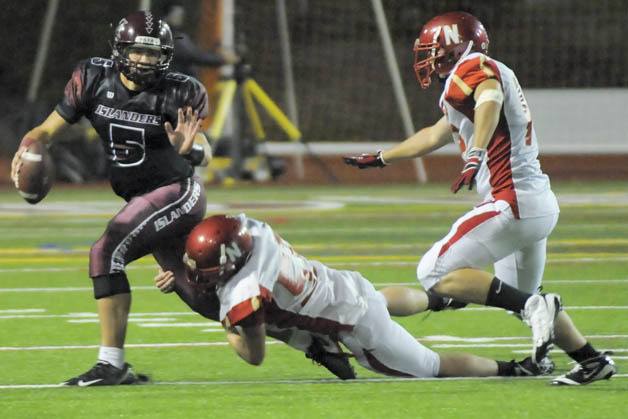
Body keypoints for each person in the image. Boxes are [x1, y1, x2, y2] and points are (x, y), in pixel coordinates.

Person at [344, 11, 616, 385]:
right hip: (536, 203)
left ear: (453, 46)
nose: (428, 58)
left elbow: (489, 97)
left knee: (433, 272)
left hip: (512, 201)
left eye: (432, 50)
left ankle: (535, 307)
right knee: (521, 296)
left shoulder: (474, 67)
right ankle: (592, 361)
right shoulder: (478, 74)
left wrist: (476, 152)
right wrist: (381, 157)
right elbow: (435, 134)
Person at [10, 11, 213, 386]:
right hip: (143, 198)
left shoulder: (179, 90)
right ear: (120, 50)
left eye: (154, 54)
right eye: (138, 52)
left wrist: (191, 150)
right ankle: (303, 331)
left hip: (177, 192)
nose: (146, 61)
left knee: (106, 252)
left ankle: (112, 364)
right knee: (204, 298)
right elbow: (47, 129)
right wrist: (29, 145)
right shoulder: (91, 77)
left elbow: (204, 149)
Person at [155, 213, 552, 380]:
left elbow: (254, 355)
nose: (198, 275)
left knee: (431, 367)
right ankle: (437, 300)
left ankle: (514, 369)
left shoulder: (244, 289)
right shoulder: (250, 231)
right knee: (376, 298)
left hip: (355, 326)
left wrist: (228, 325)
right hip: (342, 285)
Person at [162, 2, 239, 78]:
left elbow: (195, 54)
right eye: (177, 14)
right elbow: (195, 56)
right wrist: (223, 59)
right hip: (175, 83)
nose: (180, 16)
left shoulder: (172, 35)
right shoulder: (171, 37)